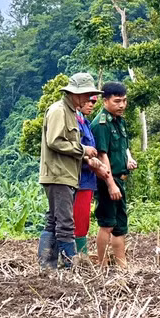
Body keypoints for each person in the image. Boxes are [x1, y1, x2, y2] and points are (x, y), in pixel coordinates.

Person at [37, 74, 100, 269]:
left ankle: (48, 266)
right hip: (58, 174)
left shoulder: (70, 112)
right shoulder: (59, 111)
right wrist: (83, 150)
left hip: (65, 175)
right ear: (76, 94)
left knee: (54, 220)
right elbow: (54, 141)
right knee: (64, 222)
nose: (89, 99)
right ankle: (69, 266)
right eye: (87, 94)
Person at [91, 81, 138, 267]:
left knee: (119, 227)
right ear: (105, 101)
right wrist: (110, 184)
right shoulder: (101, 124)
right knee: (107, 224)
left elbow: (122, 148)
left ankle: (122, 265)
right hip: (107, 181)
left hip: (120, 178)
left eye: (124, 101)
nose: (122, 105)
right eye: (117, 101)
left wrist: (129, 159)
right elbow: (102, 155)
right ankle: (101, 266)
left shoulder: (120, 122)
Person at [71, 73, 108, 256]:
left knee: (84, 217)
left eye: (94, 102)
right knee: (77, 218)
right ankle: (79, 255)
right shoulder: (74, 122)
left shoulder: (85, 123)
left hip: (87, 179)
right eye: (89, 101)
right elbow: (75, 149)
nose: (92, 105)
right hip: (78, 178)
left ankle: (81, 254)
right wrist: (93, 162)